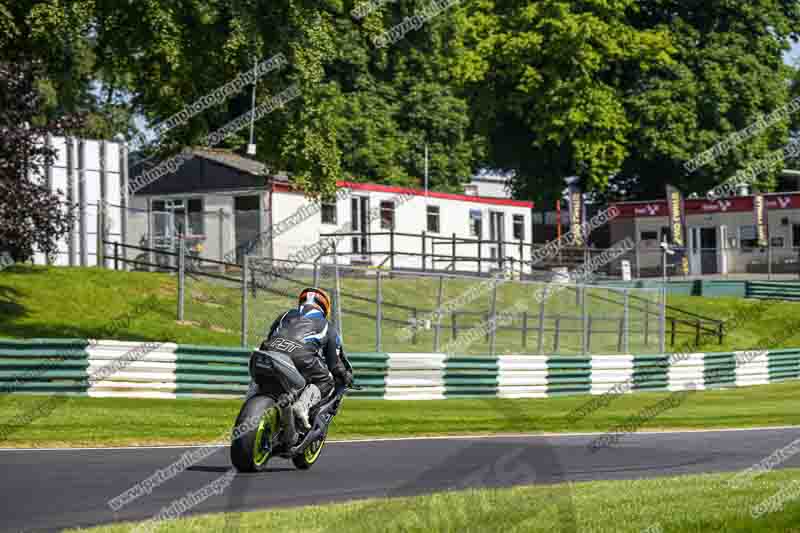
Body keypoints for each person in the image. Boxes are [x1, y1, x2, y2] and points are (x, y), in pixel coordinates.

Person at [257, 287, 353, 430]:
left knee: (261, 372)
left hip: (269, 351)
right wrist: (345, 376)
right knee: (327, 380)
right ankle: (302, 406)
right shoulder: (328, 326)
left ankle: (251, 399)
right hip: (300, 358)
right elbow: (335, 365)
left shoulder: (285, 315)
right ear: (325, 307)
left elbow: (270, 336)